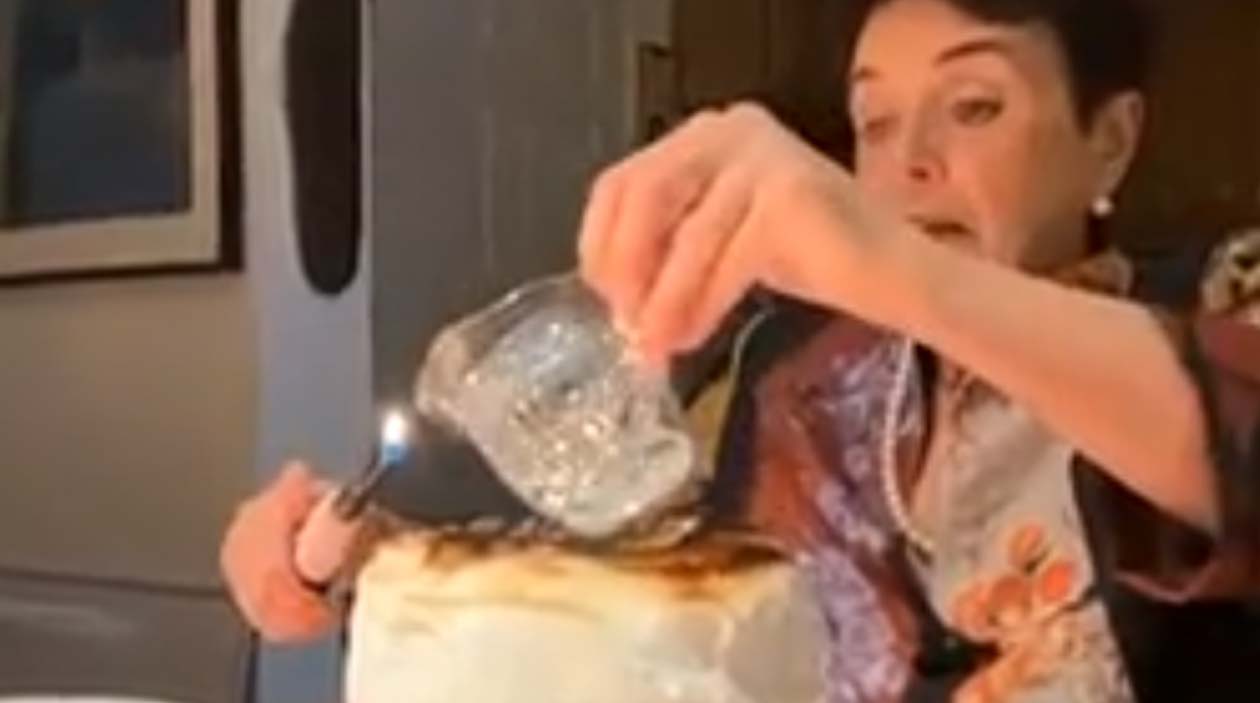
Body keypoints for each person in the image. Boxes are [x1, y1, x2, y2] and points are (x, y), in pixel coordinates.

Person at [222, 0, 1260, 699]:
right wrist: (387, 561)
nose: (909, 163)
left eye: (974, 107)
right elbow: (645, 592)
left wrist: (902, 273)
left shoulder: (1222, 298)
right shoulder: (790, 369)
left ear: (1110, 139)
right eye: (874, 122)